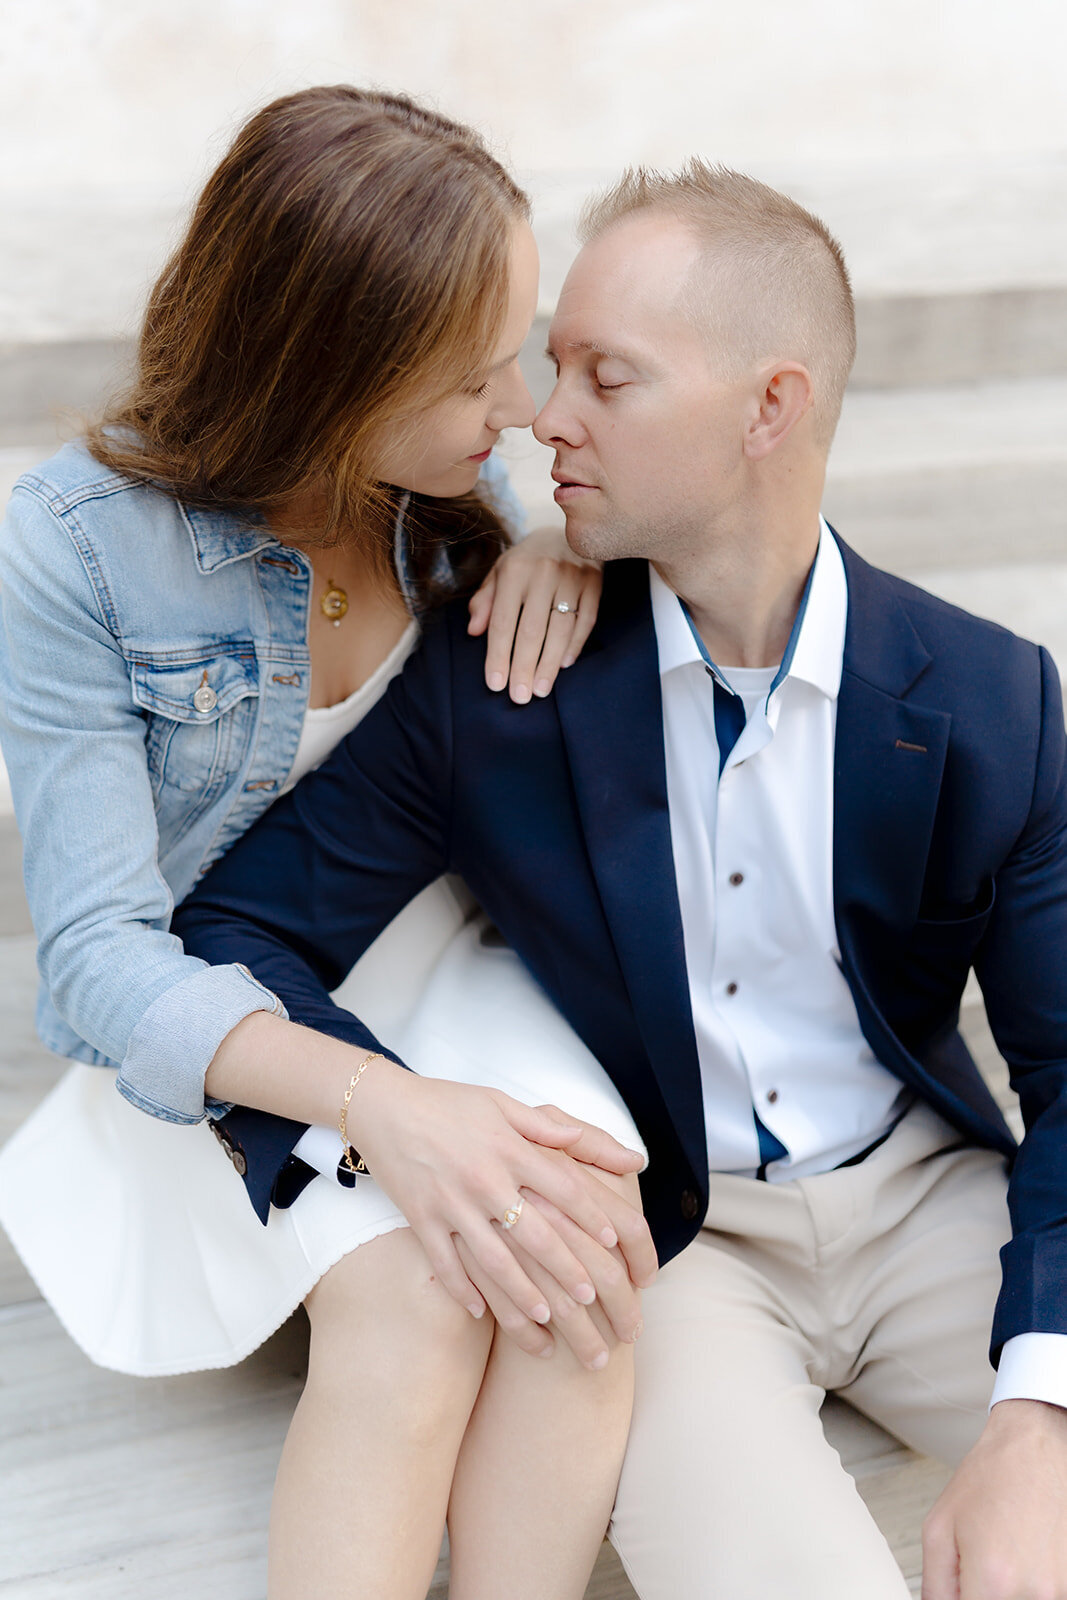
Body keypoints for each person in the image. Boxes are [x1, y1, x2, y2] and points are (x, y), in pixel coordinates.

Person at [174, 161, 1067, 1600]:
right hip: (673, 1248)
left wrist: (1040, 1412)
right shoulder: (498, 688)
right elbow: (232, 928)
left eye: (608, 376)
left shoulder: (990, 699)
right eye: (549, 366)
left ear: (770, 408)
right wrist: (395, 1121)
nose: (542, 415)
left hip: (933, 1207)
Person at [0, 86, 660, 1600]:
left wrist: (567, 541)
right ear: (331, 376)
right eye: (477, 371)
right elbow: (100, 961)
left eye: (522, 338)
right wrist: (389, 1110)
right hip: (233, 1009)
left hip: (447, 955)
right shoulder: (77, 547)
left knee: (579, 1252)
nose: (520, 406)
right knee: (420, 1298)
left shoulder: (440, 490)